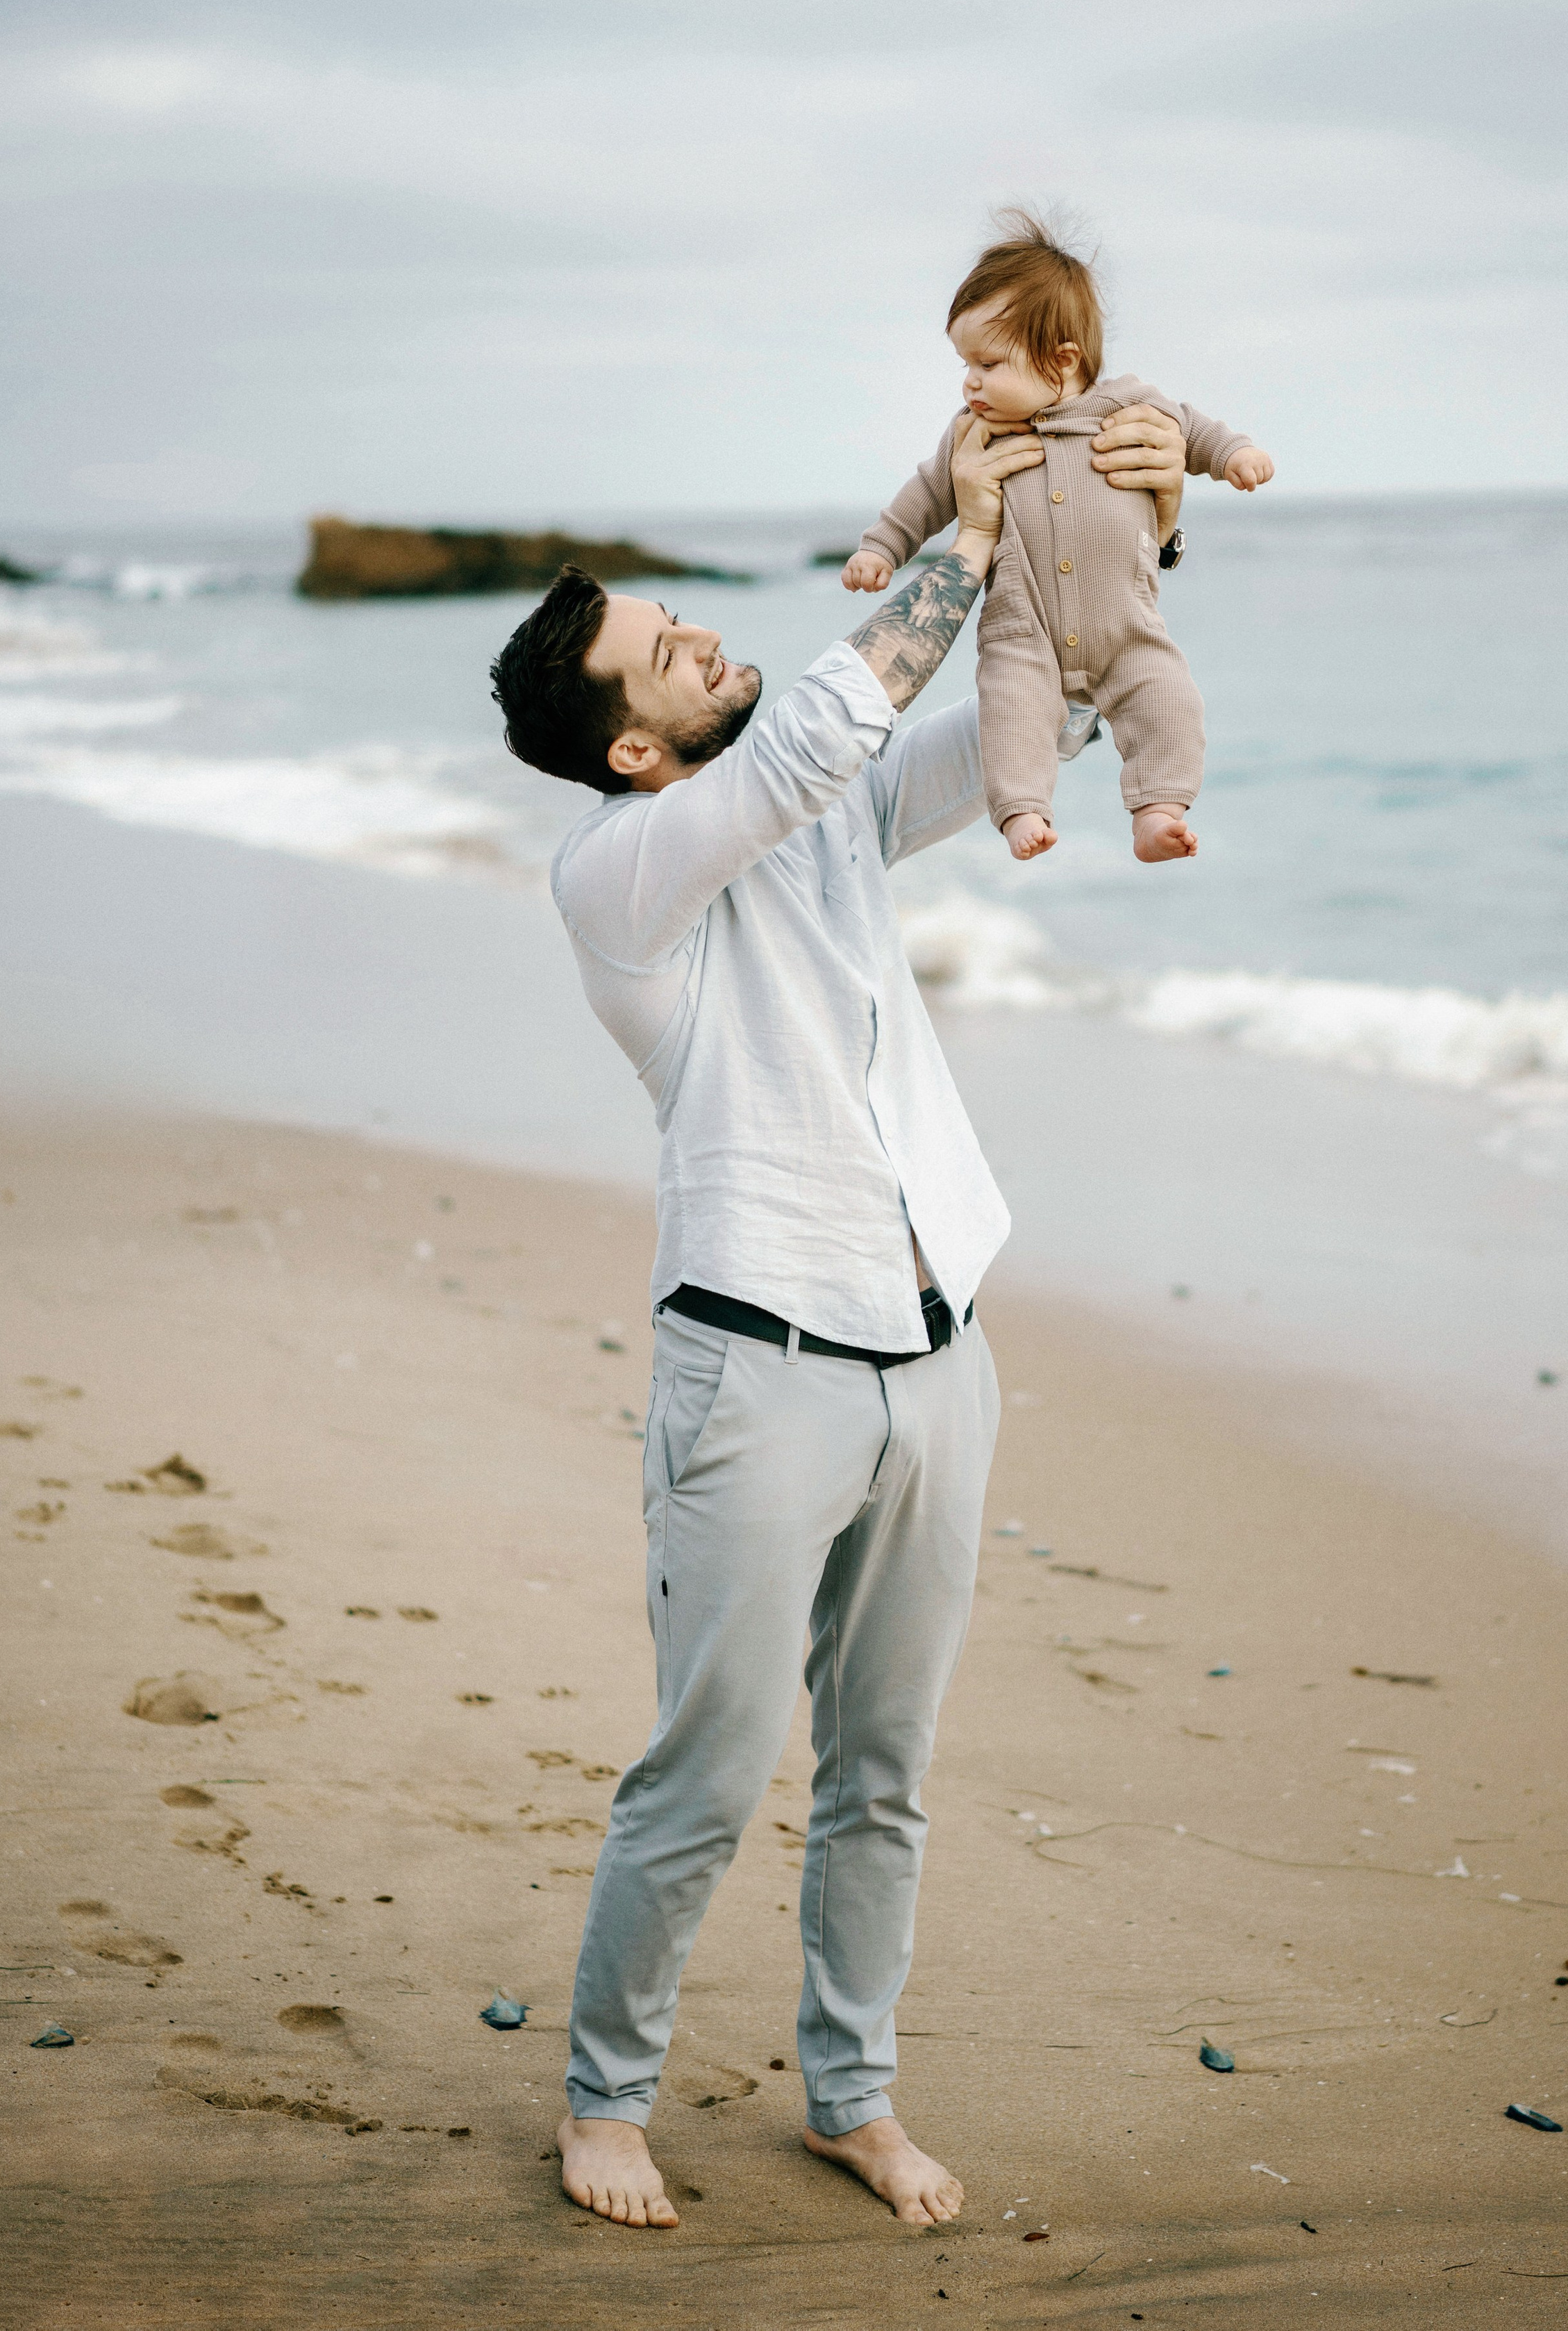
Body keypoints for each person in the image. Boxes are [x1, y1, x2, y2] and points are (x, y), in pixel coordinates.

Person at [489, 401, 1187, 2230]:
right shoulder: (618, 878)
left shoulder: (827, 815)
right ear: (630, 747)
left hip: (938, 1360)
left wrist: (1119, 532)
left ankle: (850, 2097)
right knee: (707, 1775)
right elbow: (815, 727)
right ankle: (605, 2102)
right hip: (756, 1375)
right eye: (667, 651)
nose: (705, 638)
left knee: (885, 1774)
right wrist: (961, 533)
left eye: (680, 618)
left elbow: (1041, 713)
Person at [844, 211, 1274, 864]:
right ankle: (1023, 811)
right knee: (1010, 711)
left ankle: (1158, 812)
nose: (969, 381)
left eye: (989, 363)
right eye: (965, 363)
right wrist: (881, 547)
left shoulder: (1129, 406)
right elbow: (928, 494)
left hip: (1126, 623)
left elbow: (1193, 431)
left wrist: (1235, 454)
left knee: (1169, 702)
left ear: (1062, 360)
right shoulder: (973, 434)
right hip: (1024, 630)